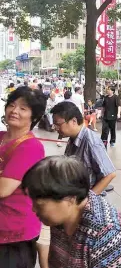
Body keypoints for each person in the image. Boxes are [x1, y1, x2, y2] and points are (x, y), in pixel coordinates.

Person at [21, 156, 121, 268]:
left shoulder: (105, 233)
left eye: (39, 205)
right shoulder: (61, 216)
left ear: (70, 198)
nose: (33, 209)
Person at [0, 86, 46, 268]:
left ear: (34, 117)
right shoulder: (1, 137)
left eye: (23, 108)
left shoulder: (31, 147)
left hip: (14, 233)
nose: (14, 111)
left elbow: (4, 189)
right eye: (12, 105)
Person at [51, 101, 116, 195]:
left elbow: (110, 174)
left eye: (58, 124)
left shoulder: (91, 141)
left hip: (86, 202)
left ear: (73, 121)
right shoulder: (73, 138)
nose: (55, 128)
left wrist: (87, 201)